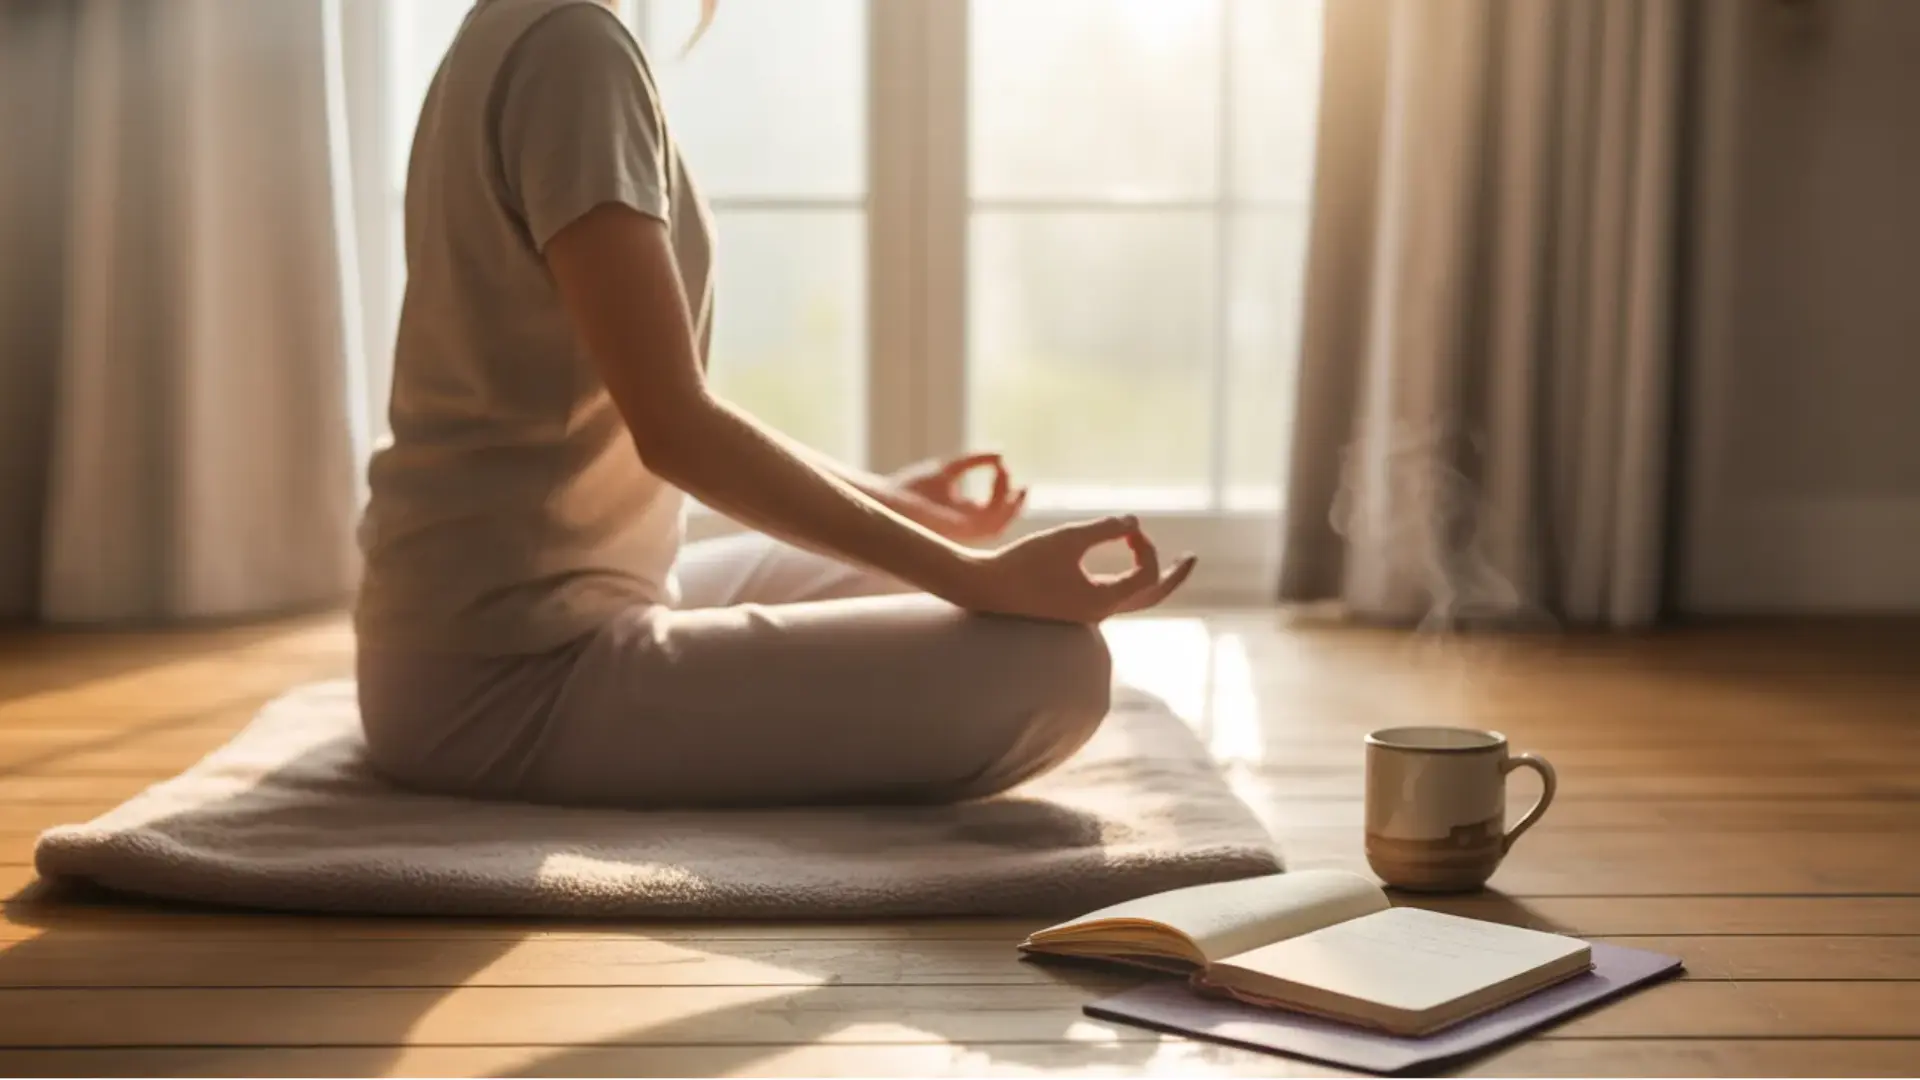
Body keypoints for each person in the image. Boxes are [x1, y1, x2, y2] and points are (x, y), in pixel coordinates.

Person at [352, 0, 1196, 809]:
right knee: (1054, 669)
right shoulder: (574, 50)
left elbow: (674, 402)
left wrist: (905, 506)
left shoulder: (523, 27)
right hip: (505, 677)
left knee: (901, 565)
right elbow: (676, 428)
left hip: (513, 623)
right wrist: (975, 576)